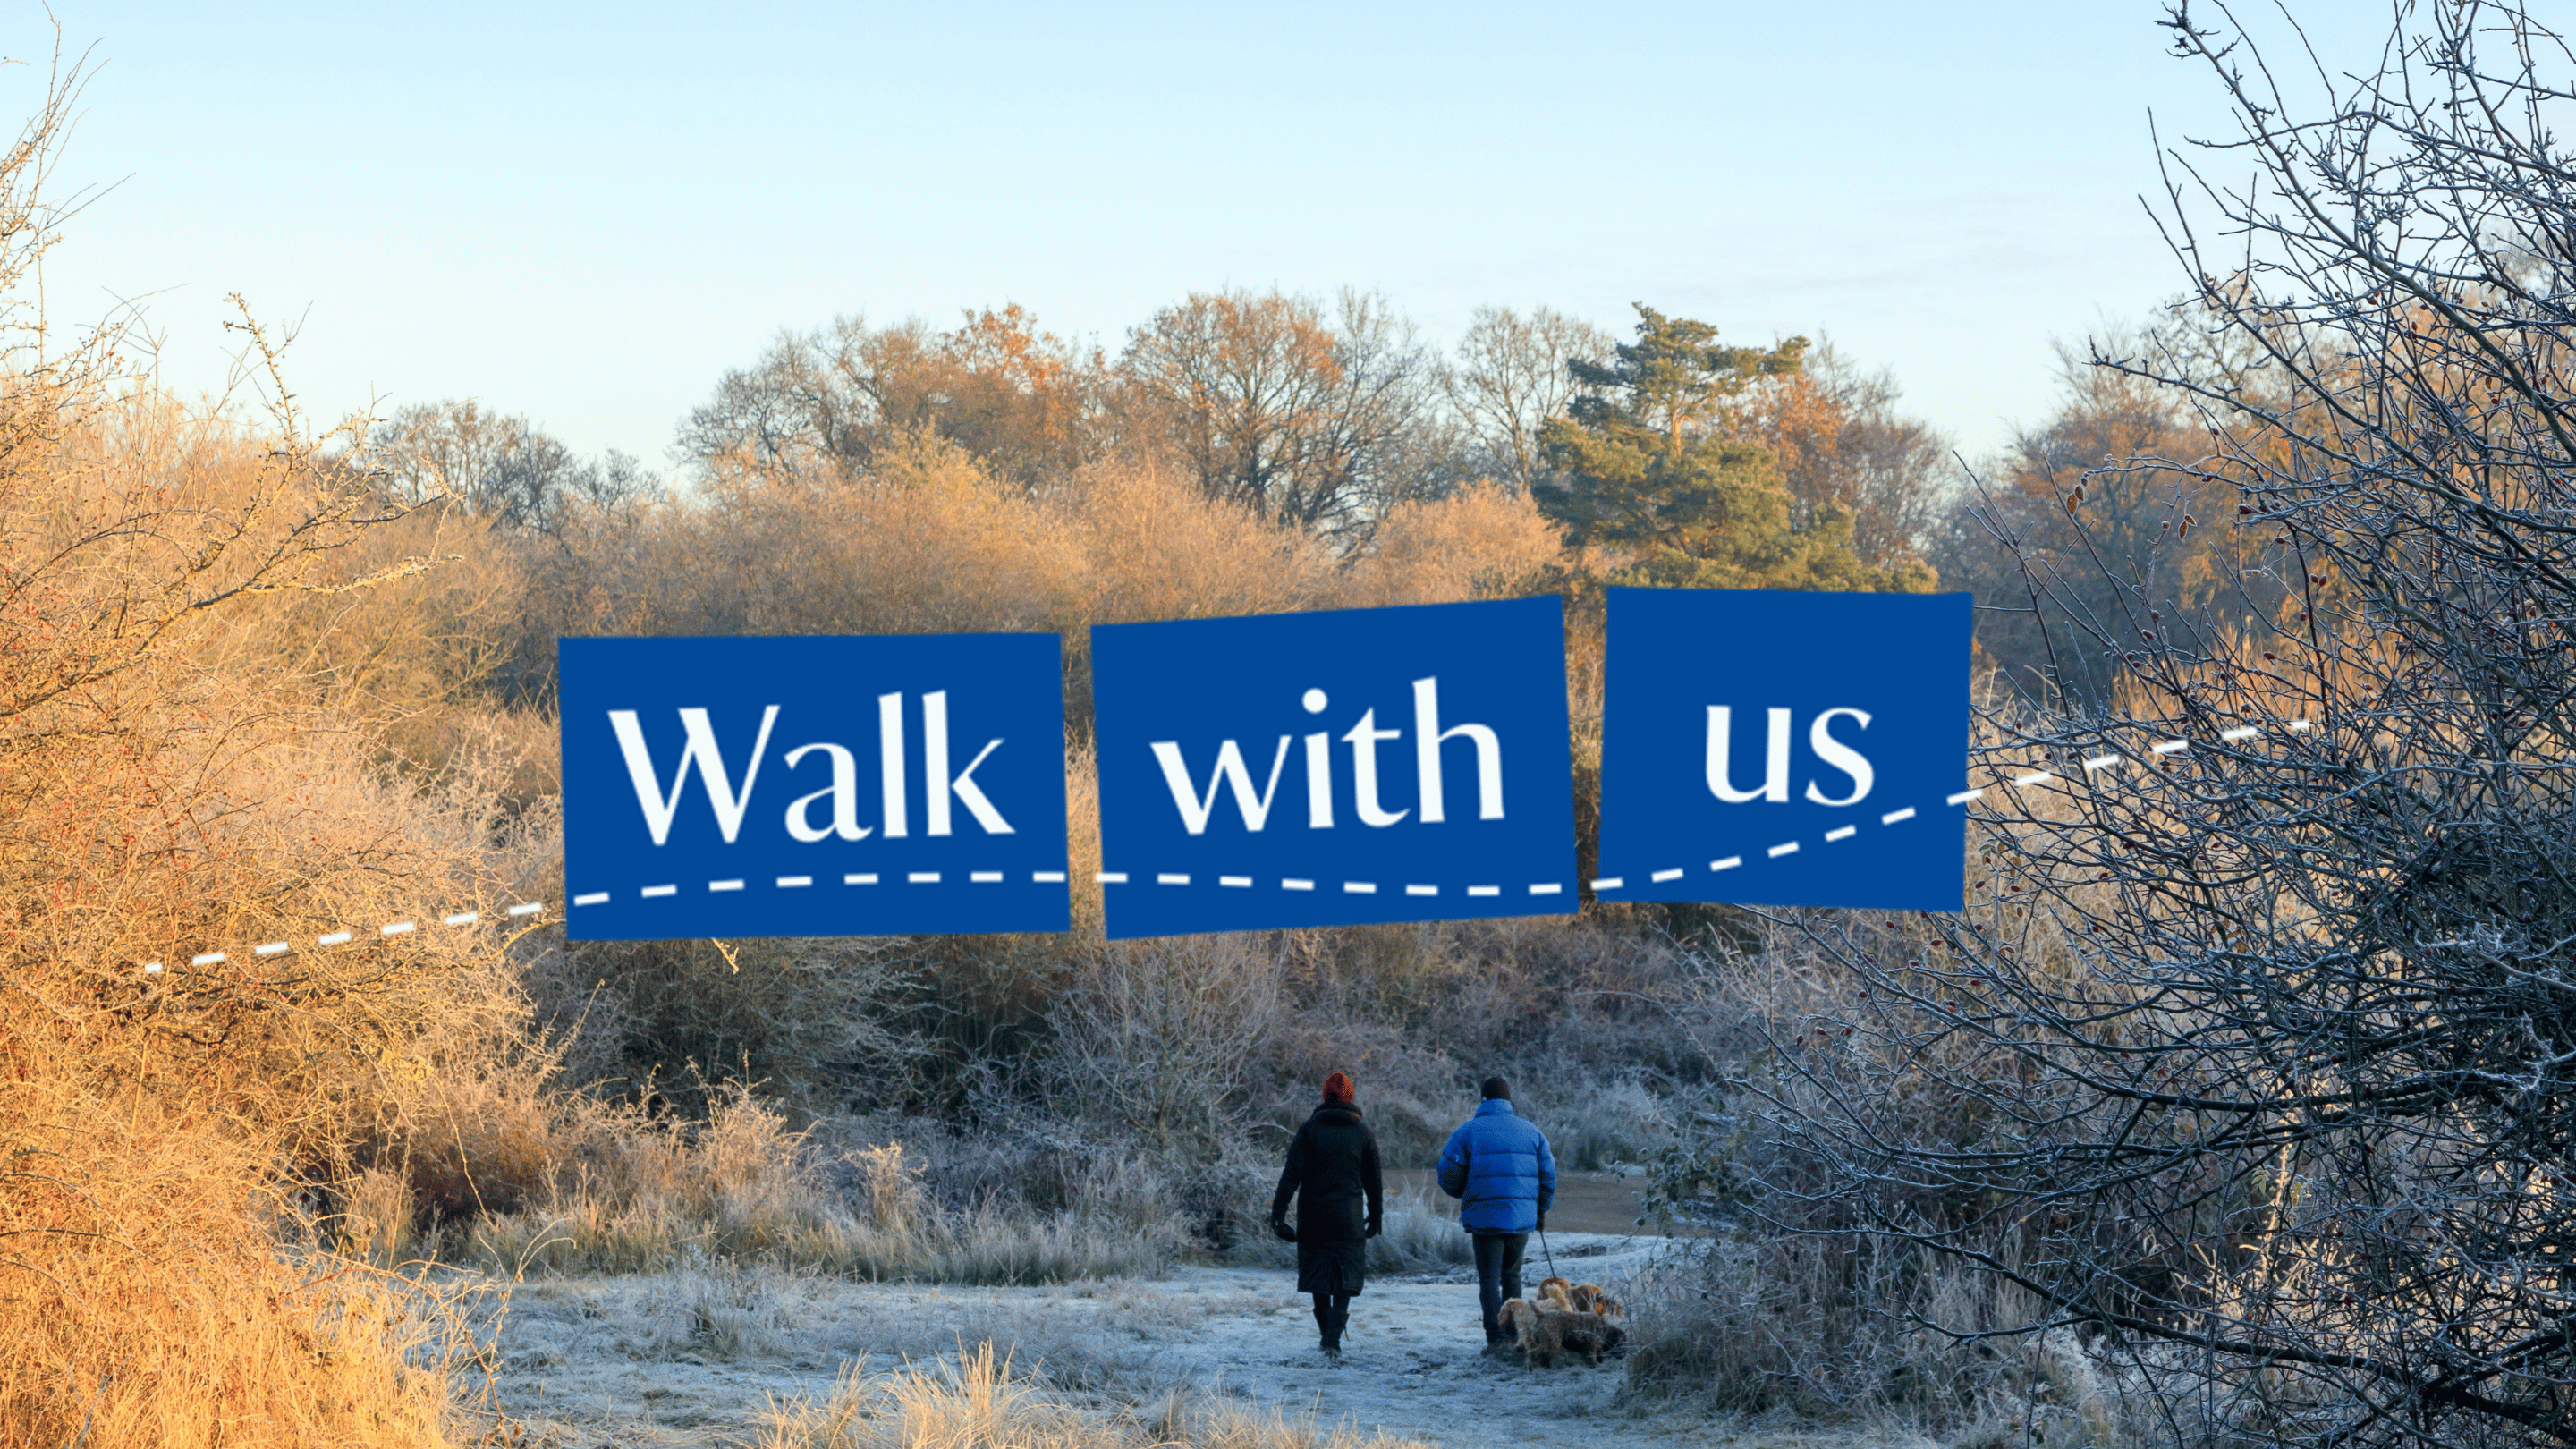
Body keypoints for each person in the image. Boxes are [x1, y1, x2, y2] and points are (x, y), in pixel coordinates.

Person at [1436, 1075, 1555, 1353]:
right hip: (1521, 1219)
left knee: (1489, 1278)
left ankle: (1494, 1339)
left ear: (1483, 1099)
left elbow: (1447, 1174)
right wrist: (1539, 1210)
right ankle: (1515, 1334)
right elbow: (1548, 1176)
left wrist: (1465, 1193)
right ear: (1509, 1100)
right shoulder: (1532, 1132)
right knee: (1512, 1275)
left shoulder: (1468, 1132)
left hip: (1484, 1218)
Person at [1270, 1071, 1384, 1360]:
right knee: (1345, 1276)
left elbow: (1291, 1175)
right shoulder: (1363, 1133)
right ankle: (1332, 1341)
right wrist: (1376, 1215)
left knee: (1319, 1276)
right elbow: (1374, 1181)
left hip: (1313, 1217)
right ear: (1350, 1098)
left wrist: (1278, 1214)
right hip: (1349, 1218)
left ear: (1324, 1097)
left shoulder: (1309, 1130)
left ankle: (1327, 1338)